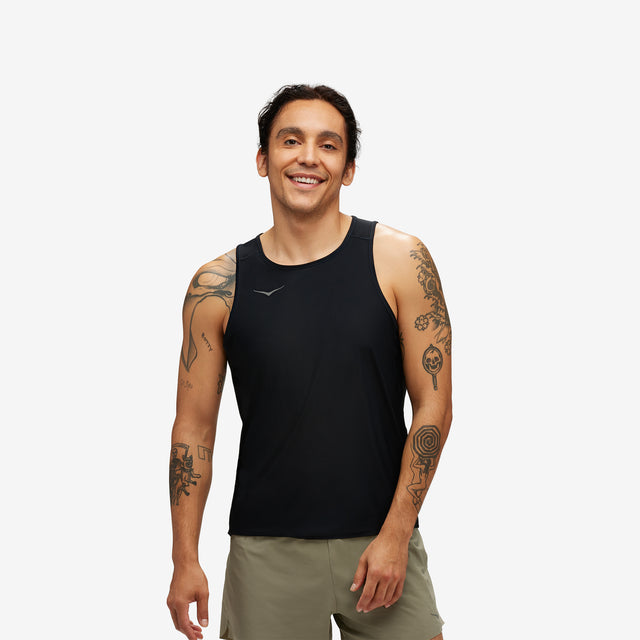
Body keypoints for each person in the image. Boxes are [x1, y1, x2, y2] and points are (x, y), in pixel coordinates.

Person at [167, 84, 452, 640]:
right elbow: (194, 430)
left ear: (348, 169)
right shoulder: (217, 285)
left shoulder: (399, 259)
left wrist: (397, 534)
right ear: (262, 159)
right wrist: (185, 559)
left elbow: (433, 406)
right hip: (265, 552)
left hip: (381, 543)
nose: (308, 157)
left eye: (328, 145)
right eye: (290, 140)